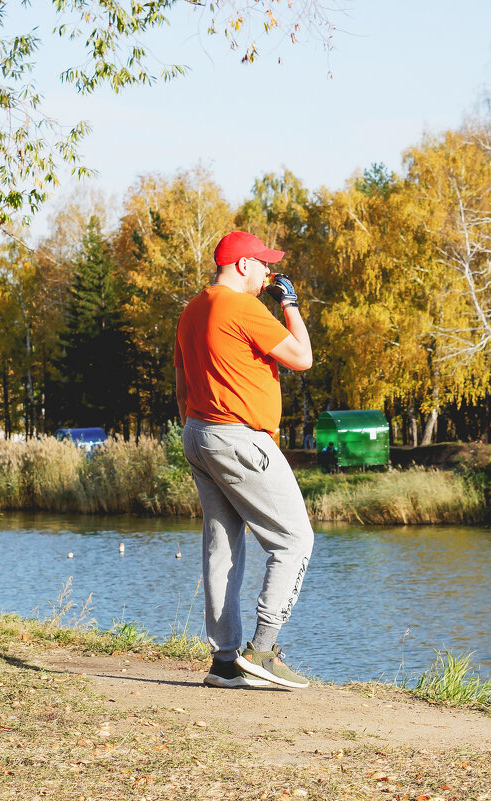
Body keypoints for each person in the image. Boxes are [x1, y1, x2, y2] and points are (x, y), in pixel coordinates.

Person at [174, 231, 314, 690]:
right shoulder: (243, 307)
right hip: (239, 438)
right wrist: (289, 303)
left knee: (222, 548)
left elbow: (181, 387)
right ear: (241, 265)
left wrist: (201, 432)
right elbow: (302, 357)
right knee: (294, 539)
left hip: (198, 433)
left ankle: (225, 662)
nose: (267, 274)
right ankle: (263, 651)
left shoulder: (192, 311)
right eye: (263, 265)